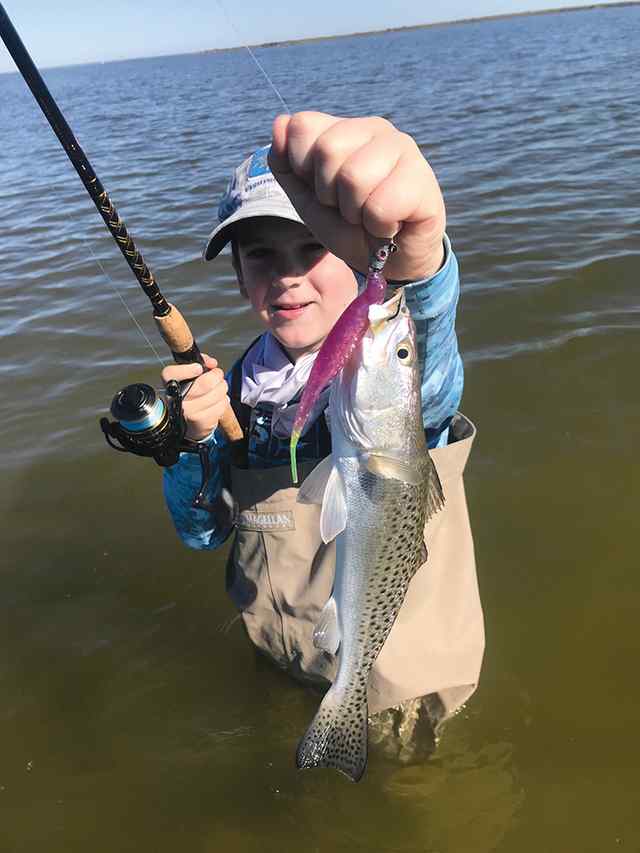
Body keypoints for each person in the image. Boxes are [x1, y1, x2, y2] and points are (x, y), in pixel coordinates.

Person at [162, 112, 484, 761]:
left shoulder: (389, 363)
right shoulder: (241, 391)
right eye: (261, 256)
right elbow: (203, 530)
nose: (287, 277)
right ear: (239, 277)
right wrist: (191, 445)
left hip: (398, 683)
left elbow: (426, 356)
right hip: (292, 655)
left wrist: (417, 259)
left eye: (313, 248)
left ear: (357, 256)